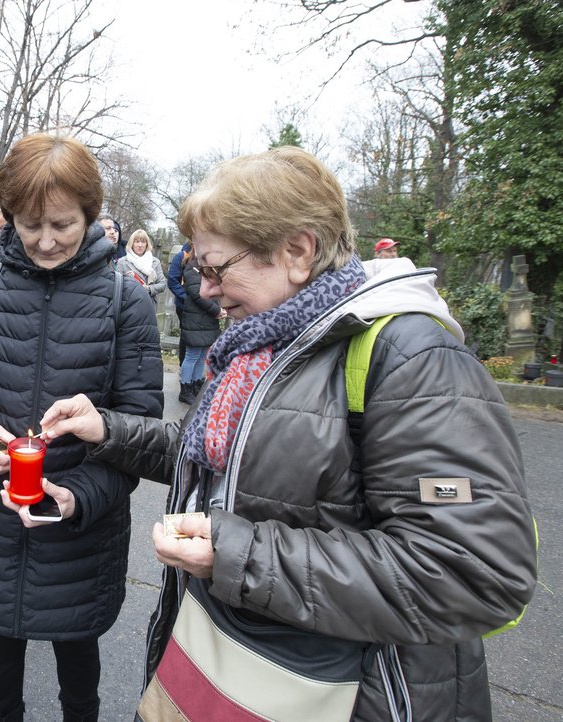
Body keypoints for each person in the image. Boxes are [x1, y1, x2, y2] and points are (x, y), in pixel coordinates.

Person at [40, 146, 537, 720]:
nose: (204, 290)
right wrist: (107, 429)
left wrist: (235, 554)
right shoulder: (264, 344)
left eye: (215, 268)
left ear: (297, 252)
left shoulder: (412, 359)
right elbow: (219, 458)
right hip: (241, 666)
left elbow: (473, 572)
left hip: (354, 695)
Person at [0, 132, 164, 722]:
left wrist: (77, 497)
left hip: (80, 521)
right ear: (9, 217)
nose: (46, 240)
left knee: (76, 648)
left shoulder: (124, 302)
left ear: (90, 214)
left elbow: (138, 429)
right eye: (29, 224)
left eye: (62, 224)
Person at [176, 246, 223, 404]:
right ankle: (185, 389)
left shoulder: (206, 268)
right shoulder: (191, 268)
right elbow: (198, 295)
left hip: (207, 320)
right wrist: (217, 310)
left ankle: (196, 385)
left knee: (202, 356)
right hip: (196, 320)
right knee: (192, 356)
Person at [114, 229, 167, 303]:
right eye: (137, 241)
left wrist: (148, 288)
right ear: (132, 243)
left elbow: (162, 285)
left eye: (143, 241)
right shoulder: (122, 262)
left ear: (147, 244)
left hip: (149, 303)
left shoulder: (155, 262)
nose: (140, 245)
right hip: (129, 303)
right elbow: (117, 285)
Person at [166, 241, 190, 365]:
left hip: (205, 305)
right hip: (184, 305)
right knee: (186, 336)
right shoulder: (181, 256)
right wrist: (186, 297)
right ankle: (184, 367)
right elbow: (172, 280)